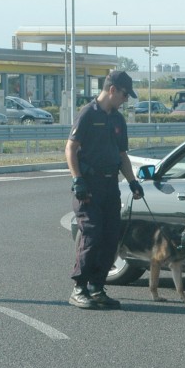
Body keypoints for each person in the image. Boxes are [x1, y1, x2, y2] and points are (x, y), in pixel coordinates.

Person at [66, 71, 145, 310]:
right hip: (89, 186)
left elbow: (122, 155)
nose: (125, 99)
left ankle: (97, 288)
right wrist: (77, 179)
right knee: (92, 235)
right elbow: (70, 149)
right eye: (124, 94)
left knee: (111, 238)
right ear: (112, 90)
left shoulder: (118, 120)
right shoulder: (88, 114)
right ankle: (79, 288)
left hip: (111, 186)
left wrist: (132, 181)